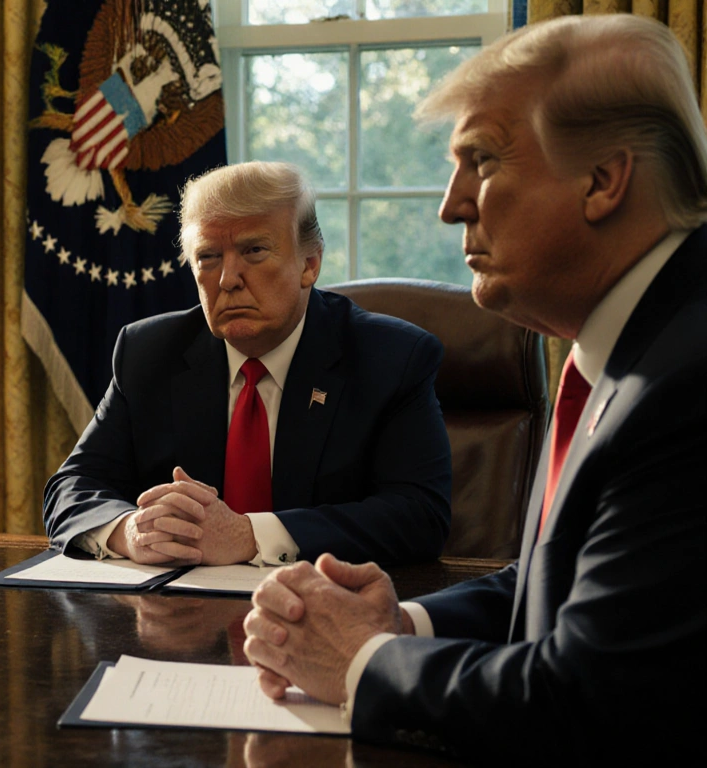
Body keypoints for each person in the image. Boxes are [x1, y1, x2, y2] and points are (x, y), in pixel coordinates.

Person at [243, 14, 706, 763]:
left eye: (482, 161)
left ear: (603, 179)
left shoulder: (687, 380)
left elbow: (592, 697)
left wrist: (361, 663)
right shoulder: (626, 340)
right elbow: (563, 582)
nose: (450, 203)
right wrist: (403, 625)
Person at [43, 161, 452, 568]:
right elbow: (72, 488)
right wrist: (132, 530)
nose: (228, 279)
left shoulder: (392, 357)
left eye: (254, 251)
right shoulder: (149, 352)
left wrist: (250, 536)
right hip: (179, 616)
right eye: (208, 257)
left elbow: (420, 516)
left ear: (310, 264)